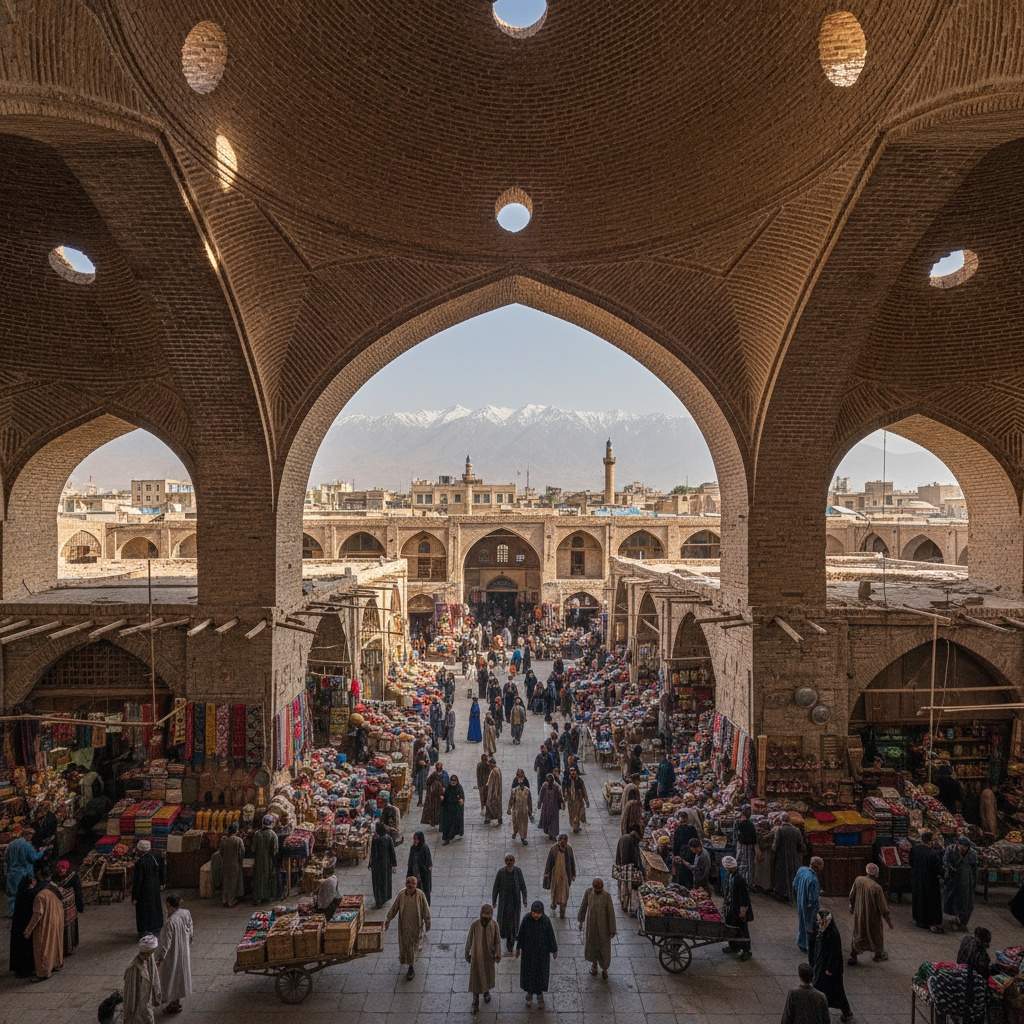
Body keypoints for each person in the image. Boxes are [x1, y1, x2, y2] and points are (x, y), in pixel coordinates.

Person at [385, 875, 431, 981]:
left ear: (416, 885)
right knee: (406, 945)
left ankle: (411, 966)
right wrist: (388, 919)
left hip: (416, 925)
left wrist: (427, 922)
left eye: (413, 883)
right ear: (405, 884)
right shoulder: (401, 894)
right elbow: (394, 907)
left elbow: (425, 909)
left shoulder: (420, 895)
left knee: (413, 945)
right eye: (408, 883)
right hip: (404, 926)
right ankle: (409, 962)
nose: (411, 885)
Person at [24, 864, 64, 982]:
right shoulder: (54, 888)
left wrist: (28, 930)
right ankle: (57, 963)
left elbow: (37, 914)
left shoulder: (40, 896)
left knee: (43, 948)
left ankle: (43, 972)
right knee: (55, 943)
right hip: (56, 920)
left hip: (45, 925)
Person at [848, 862, 893, 964]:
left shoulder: (858, 880)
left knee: (858, 933)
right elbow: (883, 908)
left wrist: (851, 906)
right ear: (877, 874)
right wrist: (889, 922)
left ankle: (854, 955)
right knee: (876, 935)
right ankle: (878, 955)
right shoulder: (877, 888)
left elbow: (852, 894)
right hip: (872, 917)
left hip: (859, 915)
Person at [516, 900, 558, 1008]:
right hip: (528, 953)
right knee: (528, 973)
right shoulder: (526, 919)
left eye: (538, 913)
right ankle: (529, 993)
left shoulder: (546, 921)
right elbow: (521, 934)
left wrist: (554, 950)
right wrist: (518, 948)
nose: (536, 915)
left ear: (542, 913)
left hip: (542, 954)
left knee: (541, 974)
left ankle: (539, 993)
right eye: (534, 913)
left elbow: (551, 936)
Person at [812, 910, 852, 1022]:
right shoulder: (824, 930)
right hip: (822, 966)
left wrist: (829, 969)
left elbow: (834, 954)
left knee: (833, 990)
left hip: (830, 970)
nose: (819, 924)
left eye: (820, 921)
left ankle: (845, 1012)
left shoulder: (832, 933)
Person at [156, 893, 193, 1015]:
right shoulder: (185, 913)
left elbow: (165, 944)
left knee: (170, 979)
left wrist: (160, 958)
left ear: (168, 906)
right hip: (183, 950)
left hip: (173, 954)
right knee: (180, 977)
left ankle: (173, 1004)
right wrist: (188, 942)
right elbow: (190, 930)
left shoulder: (170, 922)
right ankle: (176, 1002)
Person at [465, 903, 502, 1014]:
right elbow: (469, 940)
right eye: (484, 915)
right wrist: (467, 954)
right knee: (476, 980)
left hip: (489, 958)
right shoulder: (474, 925)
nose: (486, 918)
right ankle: (475, 1003)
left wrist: (498, 954)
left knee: (486, 975)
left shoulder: (494, 925)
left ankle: (486, 992)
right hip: (477, 957)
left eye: (488, 915)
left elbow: (498, 941)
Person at [577, 877, 616, 978]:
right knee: (593, 945)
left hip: (604, 927)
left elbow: (611, 913)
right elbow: (583, 906)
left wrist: (612, 929)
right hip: (592, 925)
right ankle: (594, 965)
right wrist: (581, 921)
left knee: (604, 947)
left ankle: (604, 968)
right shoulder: (588, 893)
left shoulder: (607, 896)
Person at [492, 853, 529, 953]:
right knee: (504, 922)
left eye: (511, 860)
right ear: (505, 861)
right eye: (507, 860)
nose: (509, 862)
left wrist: (524, 898)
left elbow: (523, 886)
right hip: (504, 903)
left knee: (513, 923)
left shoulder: (518, 871)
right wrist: (494, 900)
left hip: (515, 903)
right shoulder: (501, 872)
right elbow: (496, 887)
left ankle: (511, 942)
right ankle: (505, 935)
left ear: (514, 861)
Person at [123, 935, 162, 1024]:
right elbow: (130, 991)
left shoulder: (150, 957)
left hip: (146, 998)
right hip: (137, 1000)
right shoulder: (134, 967)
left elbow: (153, 974)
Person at [909, 832, 944, 933]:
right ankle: (929, 922)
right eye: (933, 840)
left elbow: (911, 862)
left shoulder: (914, 849)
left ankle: (918, 919)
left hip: (917, 880)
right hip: (930, 883)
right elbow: (937, 870)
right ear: (930, 841)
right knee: (930, 902)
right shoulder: (932, 854)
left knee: (918, 899)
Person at [5, 829, 43, 919]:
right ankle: (21, 912)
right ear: (29, 835)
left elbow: (6, 858)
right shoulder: (26, 845)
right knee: (23, 893)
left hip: (11, 873)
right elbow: (34, 857)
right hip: (22, 873)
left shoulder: (11, 845)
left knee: (12, 894)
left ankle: (11, 912)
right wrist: (42, 851)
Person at [132, 840, 166, 938]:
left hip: (144, 890)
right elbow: (162, 869)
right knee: (155, 906)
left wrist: (134, 897)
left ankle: (144, 930)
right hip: (155, 887)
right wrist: (162, 882)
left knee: (144, 910)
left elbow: (138, 881)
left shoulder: (140, 863)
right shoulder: (156, 856)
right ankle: (156, 926)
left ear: (139, 850)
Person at [943, 836, 978, 932]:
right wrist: (950, 868)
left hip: (966, 879)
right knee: (951, 898)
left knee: (966, 902)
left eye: (964, 847)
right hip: (953, 878)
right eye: (960, 846)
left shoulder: (972, 854)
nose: (962, 849)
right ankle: (954, 917)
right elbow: (945, 861)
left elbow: (974, 868)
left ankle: (962, 922)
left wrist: (974, 882)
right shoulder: (950, 849)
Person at [721, 855, 753, 961]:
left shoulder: (739, 879)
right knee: (731, 927)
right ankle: (733, 946)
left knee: (741, 930)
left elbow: (745, 898)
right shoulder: (730, 876)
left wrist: (742, 912)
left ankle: (746, 950)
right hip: (730, 908)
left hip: (738, 910)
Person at [771, 813, 804, 903]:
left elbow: (774, 846)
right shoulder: (796, 830)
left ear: (781, 820)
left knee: (781, 875)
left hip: (781, 856)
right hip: (793, 856)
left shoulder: (779, 830)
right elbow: (800, 845)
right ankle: (793, 894)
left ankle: (782, 894)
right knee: (792, 874)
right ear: (789, 820)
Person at [9, 875, 37, 978]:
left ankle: (19, 969)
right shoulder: (29, 894)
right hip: (25, 925)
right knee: (26, 948)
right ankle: (26, 970)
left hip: (18, 925)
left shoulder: (20, 893)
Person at [793, 857, 823, 954]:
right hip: (809, 907)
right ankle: (807, 944)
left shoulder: (801, 870)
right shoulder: (813, 879)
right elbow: (812, 898)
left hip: (800, 901)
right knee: (810, 925)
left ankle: (801, 941)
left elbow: (794, 884)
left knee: (801, 922)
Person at [54, 859, 83, 955]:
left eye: (64, 868)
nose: (61, 870)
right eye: (60, 868)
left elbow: (78, 891)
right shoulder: (54, 877)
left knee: (69, 928)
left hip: (70, 908)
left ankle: (69, 948)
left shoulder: (73, 877)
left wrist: (79, 905)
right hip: (59, 908)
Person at [543, 833, 576, 918]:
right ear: (558, 842)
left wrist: (573, 874)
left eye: (564, 843)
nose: (562, 844)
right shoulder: (553, 849)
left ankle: (562, 911)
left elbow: (572, 862)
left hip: (565, 875)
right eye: (561, 842)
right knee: (555, 889)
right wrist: (546, 872)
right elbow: (549, 861)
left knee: (565, 893)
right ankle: (554, 901)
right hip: (555, 874)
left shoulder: (569, 849)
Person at [614, 828, 645, 915]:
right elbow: (635, 858)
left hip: (621, 866)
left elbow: (618, 852)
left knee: (623, 886)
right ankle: (629, 908)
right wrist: (639, 869)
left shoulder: (622, 838)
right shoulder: (633, 843)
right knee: (630, 889)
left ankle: (623, 902)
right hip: (630, 869)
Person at [369, 821, 398, 908]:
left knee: (377, 883)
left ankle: (379, 900)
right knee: (385, 881)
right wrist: (394, 863)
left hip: (376, 865)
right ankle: (385, 897)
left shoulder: (376, 839)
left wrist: (370, 863)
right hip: (386, 864)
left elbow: (372, 853)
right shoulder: (388, 838)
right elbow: (392, 851)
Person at [252, 815, 279, 904]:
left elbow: (253, 849)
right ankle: (266, 897)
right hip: (268, 861)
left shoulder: (257, 834)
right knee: (268, 878)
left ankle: (257, 897)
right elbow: (274, 850)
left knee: (258, 878)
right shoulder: (273, 835)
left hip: (258, 860)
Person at [217, 823, 244, 908]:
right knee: (233, 882)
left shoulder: (223, 840)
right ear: (236, 830)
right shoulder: (238, 840)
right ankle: (231, 901)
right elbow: (242, 853)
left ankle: (224, 899)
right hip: (235, 863)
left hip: (225, 863)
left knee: (225, 881)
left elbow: (220, 852)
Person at [733, 805, 757, 887]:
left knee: (743, 864)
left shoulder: (739, 822)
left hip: (743, 847)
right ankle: (746, 883)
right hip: (746, 847)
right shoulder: (749, 822)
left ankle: (744, 883)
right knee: (747, 865)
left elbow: (735, 836)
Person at [407, 830, 433, 904]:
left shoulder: (425, 848)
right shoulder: (413, 848)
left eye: (417, 839)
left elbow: (428, 863)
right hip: (414, 872)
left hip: (422, 873)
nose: (415, 841)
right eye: (414, 839)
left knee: (424, 890)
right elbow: (410, 861)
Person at [508, 774, 534, 846]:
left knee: (524, 825)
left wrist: (530, 811)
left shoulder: (527, 791)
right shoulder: (514, 790)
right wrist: (509, 809)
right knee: (515, 823)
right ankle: (515, 832)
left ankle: (523, 838)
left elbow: (529, 801)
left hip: (524, 811)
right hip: (516, 810)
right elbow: (511, 800)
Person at [440, 774, 465, 845]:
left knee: (453, 824)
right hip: (448, 810)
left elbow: (461, 796)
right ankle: (446, 838)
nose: (453, 782)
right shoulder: (448, 787)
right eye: (452, 781)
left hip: (455, 810)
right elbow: (445, 797)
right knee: (447, 824)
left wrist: (461, 800)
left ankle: (449, 837)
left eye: (454, 781)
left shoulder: (459, 788)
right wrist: (443, 798)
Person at [539, 774, 564, 841]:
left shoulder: (557, 786)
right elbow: (541, 795)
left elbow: (560, 796)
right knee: (547, 820)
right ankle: (549, 832)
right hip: (546, 807)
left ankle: (553, 834)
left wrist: (561, 803)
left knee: (554, 822)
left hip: (554, 808)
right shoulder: (544, 786)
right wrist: (539, 803)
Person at [564, 767, 589, 834]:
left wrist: (586, 800)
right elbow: (565, 789)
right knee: (572, 814)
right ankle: (575, 825)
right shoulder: (567, 780)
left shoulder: (579, 781)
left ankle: (576, 826)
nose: (573, 772)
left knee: (578, 814)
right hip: (571, 801)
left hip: (578, 800)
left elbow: (584, 790)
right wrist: (565, 795)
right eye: (571, 771)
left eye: (574, 770)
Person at [421, 763, 445, 828]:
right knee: (434, 808)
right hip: (434, 795)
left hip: (438, 794)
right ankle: (434, 821)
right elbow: (428, 782)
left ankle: (437, 821)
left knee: (437, 809)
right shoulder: (434, 775)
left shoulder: (442, 774)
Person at [484, 759, 503, 826]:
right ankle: (498, 818)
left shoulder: (494, 772)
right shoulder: (497, 770)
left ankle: (489, 818)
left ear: (492, 764)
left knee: (490, 804)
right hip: (497, 791)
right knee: (496, 805)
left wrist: (491, 791)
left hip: (493, 792)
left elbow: (492, 783)